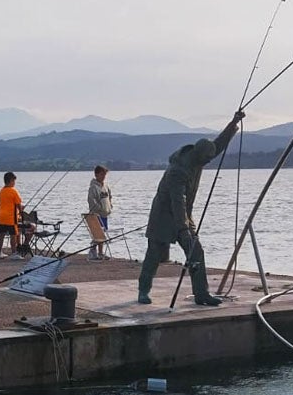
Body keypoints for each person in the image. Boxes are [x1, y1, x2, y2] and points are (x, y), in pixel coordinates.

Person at [137, 112, 243, 306]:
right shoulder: (178, 170)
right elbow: (178, 201)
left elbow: (218, 145)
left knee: (196, 252)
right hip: (164, 215)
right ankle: (143, 290)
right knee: (154, 254)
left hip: (184, 215)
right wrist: (184, 228)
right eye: (206, 159)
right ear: (198, 155)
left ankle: (202, 294)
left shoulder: (200, 157)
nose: (208, 162)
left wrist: (233, 123)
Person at [0, 171, 26, 259]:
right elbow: (18, 204)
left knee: (1, 234)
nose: (14, 183)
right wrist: (21, 211)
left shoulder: (1, 191)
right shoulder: (13, 191)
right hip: (11, 218)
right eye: (14, 181)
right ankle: (14, 253)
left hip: (2, 216)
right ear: (11, 181)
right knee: (13, 235)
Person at [86, 165, 113, 260]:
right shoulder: (93, 187)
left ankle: (101, 253)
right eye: (102, 174)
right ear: (97, 174)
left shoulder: (105, 186)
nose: (104, 176)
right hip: (97, 214)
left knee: (102, 234)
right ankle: (92, 251)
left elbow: (109, 197)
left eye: (105, 174)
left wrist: (110, 206)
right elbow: (91, 200)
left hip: (105, 214)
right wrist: (98, 209)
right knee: (97, 234)